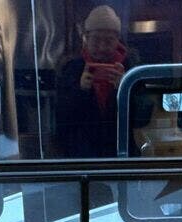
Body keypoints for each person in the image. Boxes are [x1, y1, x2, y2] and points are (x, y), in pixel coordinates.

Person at [55, 5, 143, 158]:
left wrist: (124, 89)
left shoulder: (132, 69)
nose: (102, 47)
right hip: (82, 156)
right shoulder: (71, 69)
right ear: (86, 38)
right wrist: (80, 90)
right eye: (96, 40)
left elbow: (142, 119)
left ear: (117, 40)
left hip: (122, 153)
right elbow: (61, 121)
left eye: (108, 41)